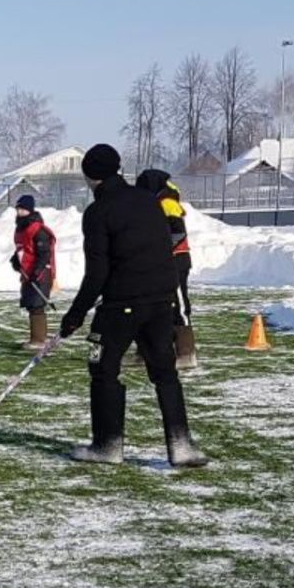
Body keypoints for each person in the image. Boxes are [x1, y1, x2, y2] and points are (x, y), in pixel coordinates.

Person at [58, 144, 208, 468]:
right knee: (165, 373)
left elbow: (97, 272)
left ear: (89, 176)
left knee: (103, 370)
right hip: (160, 300)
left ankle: (107, 446)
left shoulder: (98, 212)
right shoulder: (148, 201)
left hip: (122, 306)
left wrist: (75, 315)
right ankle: (181, 445)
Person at [136, 169, 196, 369]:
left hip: (176, 261)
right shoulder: (153, 204)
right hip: (160, 262)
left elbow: (178, 232)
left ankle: (186, 351)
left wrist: (160, 249)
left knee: (178, 302)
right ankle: (149, 349)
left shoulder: (168, 203)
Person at [9, 194, 56, 349]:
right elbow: (23, 249)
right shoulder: (20, 228)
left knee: (37, 305)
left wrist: (37, 270)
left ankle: (39, 340)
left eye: (23, 209)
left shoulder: (38, 229)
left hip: (40, 273)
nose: (20, 212)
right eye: (18, 209)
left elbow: (44, 253)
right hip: (28, 273)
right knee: (31, 304)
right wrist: (16, 261)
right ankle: (36, 337)